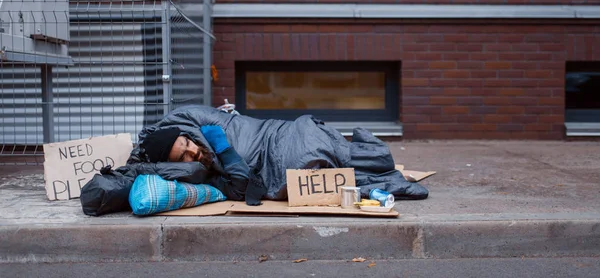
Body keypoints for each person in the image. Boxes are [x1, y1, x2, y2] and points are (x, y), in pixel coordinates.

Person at [81, 104, 428, 216]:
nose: (192, 152)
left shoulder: (198, 123)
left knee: (311, 140)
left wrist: (219, 141)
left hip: (276, 136)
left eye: (187, 144)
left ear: (186, 134)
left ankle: (369, 155)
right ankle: (371, 158)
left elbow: (244, 129)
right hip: (270, 161)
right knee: (319, 162)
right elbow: (241, 181)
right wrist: (225, 151)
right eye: (184, 156)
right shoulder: (195, 169)